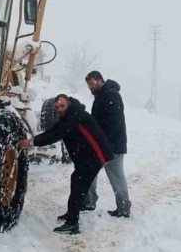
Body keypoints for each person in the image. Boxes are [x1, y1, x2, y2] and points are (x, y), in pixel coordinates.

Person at [20, 94, 114, 234]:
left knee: (78, 187)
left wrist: (32, 143)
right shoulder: (67, 115)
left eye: (62, 106)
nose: (59, 109)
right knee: (76, 183)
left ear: (69, 103)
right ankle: (71, 214)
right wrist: (34, 139)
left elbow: (58, 134)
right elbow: (52, 130)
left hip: (95, 157)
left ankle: (72, 224)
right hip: (86, 158)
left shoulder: (76, 115)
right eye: (57, 107)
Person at [83, 71, 132, 217]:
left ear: (99, 80)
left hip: (112, 146)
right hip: (103, 145)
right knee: (89, 172)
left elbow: (113, 123)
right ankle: (88, 202)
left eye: (91, 84)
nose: (90, 88)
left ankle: (123, 208)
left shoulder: (111, 95)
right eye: (88, 85)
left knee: (116, 176)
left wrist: (102, 142)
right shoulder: (102, 95)